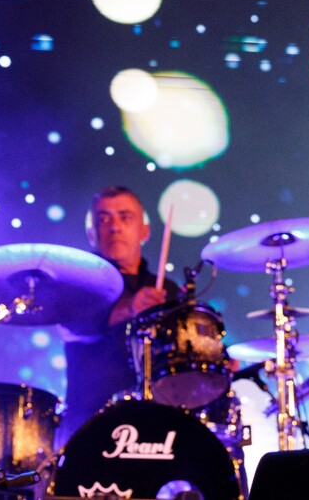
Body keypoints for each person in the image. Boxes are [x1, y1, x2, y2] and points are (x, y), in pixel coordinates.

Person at [59, 185, 179, 441]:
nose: (114, 227)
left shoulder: (166, 290)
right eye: (104, 219)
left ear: (144, 231)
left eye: (125, 217)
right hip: (90, 426)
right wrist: (130, 308)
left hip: (157, 424)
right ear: (92, 234)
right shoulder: (79, 282)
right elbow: (74, 328)